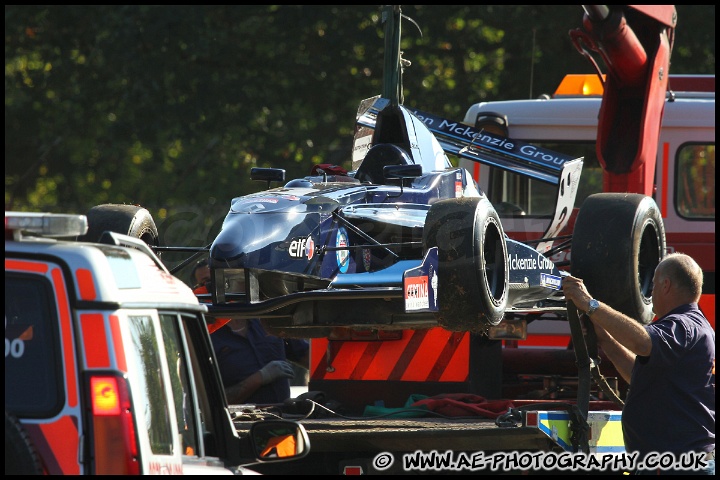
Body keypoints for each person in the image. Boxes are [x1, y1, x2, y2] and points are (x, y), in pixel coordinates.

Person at [563, 252, 715, 475]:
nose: (650, 292)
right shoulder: (695, 329)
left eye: (653, 285)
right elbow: (639, 374)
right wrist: (605, 339)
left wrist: (589, 304)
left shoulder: (683, 325)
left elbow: (642, 342)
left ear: (666, 285)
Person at [188, 259, 310, 404]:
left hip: (282, 420)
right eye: (207, 282)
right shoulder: (201, 336)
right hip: (237, 424)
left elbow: (306, 356)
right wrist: (259, 378)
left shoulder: (266, 317)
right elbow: (209, 401)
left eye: (224, 278)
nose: (218, 286)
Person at [211, 318, 309, 405]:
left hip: (284, 417)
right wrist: (259, 378)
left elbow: (306, 356)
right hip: (238, 422)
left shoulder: (267, 320)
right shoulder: (207, 334)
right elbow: (211, 401)